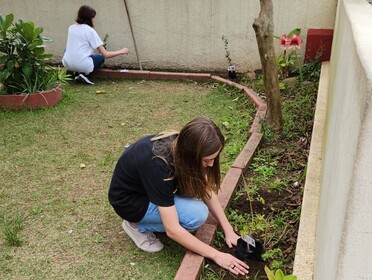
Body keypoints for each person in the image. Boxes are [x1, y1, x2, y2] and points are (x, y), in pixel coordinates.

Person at [108, 117, 250, 276]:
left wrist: (229, 230)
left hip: (148, 191)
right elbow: (173, 230)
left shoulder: (183, 143)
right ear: (191, 155)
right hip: (130, 203)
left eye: (214, 158)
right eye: (207, 160)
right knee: (196, 216)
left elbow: (206, 190)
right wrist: (217, 255)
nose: (211, 164)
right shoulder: (159, 166)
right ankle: (136, 225)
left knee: (196, 212)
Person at [62, 5, 129, 85]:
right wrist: (122, 51)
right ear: (89, 18)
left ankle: (76, 73)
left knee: (67, 50)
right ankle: (86, 75)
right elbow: (106, 54)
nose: (94, 20)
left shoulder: (71, 28)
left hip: (67, 63)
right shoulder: (90, 31)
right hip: (82, 65)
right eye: (93, 18)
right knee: (100, 57)